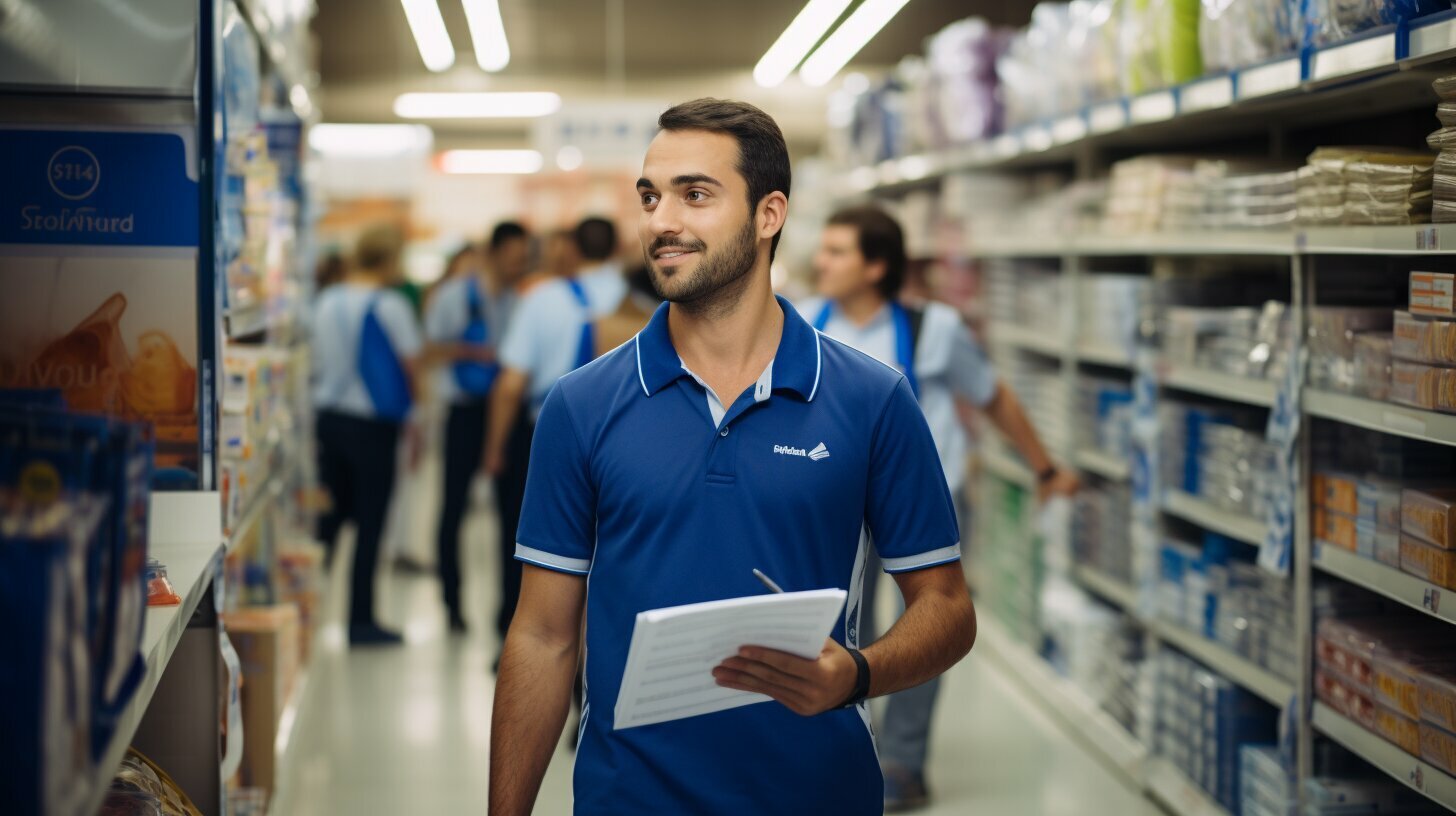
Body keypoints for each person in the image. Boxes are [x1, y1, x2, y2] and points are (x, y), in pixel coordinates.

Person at [488, 98, 977, 816]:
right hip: (631, 799)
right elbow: (542, 635)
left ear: (768, 214)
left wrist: (859, 674)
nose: (661, 221)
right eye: (650, 197)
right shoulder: (582, 404)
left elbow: (948, 607)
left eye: (695, 195)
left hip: (818, 795)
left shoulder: (871, 399)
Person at [802, 205, 1079, 811]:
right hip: (838, 500)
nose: (820, 262)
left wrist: (1044, 468)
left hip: (924, 499)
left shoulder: (937, 330)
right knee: (840, 620)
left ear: (876, 266)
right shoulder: (800, 325)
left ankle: (904, 759)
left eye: (837, 252)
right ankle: (848, 734)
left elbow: (992, 397)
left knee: (924, 621)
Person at [482, 216, 626, 649]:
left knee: (533, 543)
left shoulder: (543, 298)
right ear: (616, 249)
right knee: (610, 544)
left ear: (571, 249)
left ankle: (518, 630)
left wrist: (494, 447)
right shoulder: (639, 298)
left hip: (543, 431)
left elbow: (510, 383)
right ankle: (598, 647)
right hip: (621, 436)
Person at [311, 225, 423, 646]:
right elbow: (411, 365)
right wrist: (419, 419)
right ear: (389, 259)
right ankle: (361, 621)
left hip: (329, 418)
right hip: (374, 424)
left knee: (331, 518)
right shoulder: (390, 304)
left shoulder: (326, 299)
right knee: (371, 523)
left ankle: (307, 606)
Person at [423, 222, 531, 632]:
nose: (520, 264)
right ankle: (452, 604)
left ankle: (507, 610)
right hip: (464, 412)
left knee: (512, 515)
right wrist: (474, 351)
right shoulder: (455, 295)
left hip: (508, 413)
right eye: (515, 256)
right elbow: (429, 349)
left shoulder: (519, 298)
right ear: (495, 253)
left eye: (525, 258)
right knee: (453, 509)